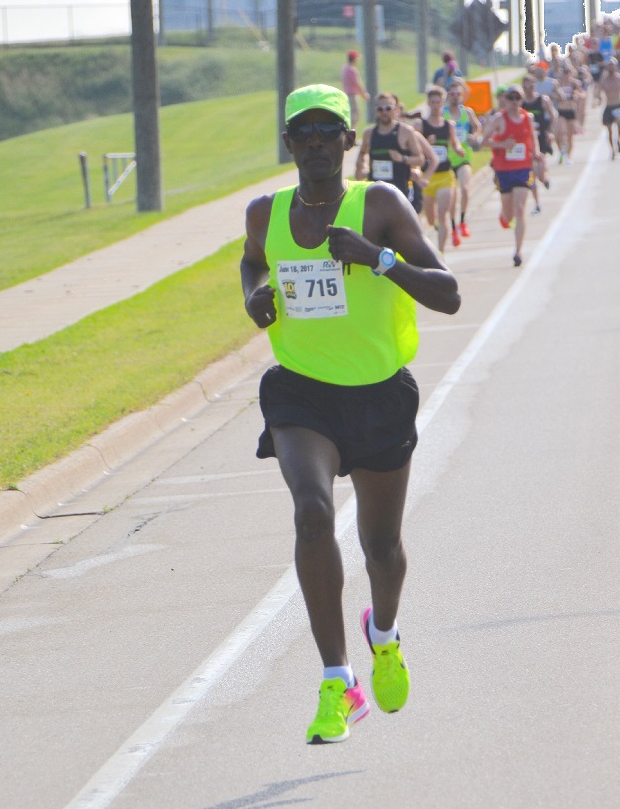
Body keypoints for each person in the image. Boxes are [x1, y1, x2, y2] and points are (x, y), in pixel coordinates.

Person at [242, 84, 463, 743]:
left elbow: (448, 294)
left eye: (326, 131)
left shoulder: (381, 204)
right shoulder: (264, 213)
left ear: (348, 141)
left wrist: (378, 259)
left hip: (377, 394)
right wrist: (255, 294)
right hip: (300, 391)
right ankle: (338, 682)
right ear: (289, 142)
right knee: (311, 513)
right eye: (301, 132)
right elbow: (254, 263)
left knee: (381, 549)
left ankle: (385, 635)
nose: (314, 142)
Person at [482, 87, 539, 267]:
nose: (514, 101)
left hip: (523, 167)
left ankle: (518, 251)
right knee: (509, 215)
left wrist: (536, 153)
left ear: (522, 100)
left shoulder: (527, 118)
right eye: (511, 98)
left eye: (518, 98)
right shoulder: (499, 119)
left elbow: (532, 138)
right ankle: (504, 216)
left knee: (520, 208)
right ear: (505, 100)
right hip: (504, 169)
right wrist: (502, 144)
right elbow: (484, 142)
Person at [417, 86, 471, 248]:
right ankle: (436, 229)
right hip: (427, 176)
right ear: (428, 103)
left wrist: (459, 150)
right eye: (432, 102)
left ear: (442, 103)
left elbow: (454, 144)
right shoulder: (421, 125)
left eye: (438, 102)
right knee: (431, 218)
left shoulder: (449, 125)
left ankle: (440, 254)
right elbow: (414, 148)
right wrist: (427, 143)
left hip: (445, 175)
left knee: (442, 214)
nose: (435, 105)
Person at [362, 94, 432, 209]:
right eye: (380, 109)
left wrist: (404, 159)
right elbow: (362, 155)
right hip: (376, 193)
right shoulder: (368, 133)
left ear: (395, 109)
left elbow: (420, 159)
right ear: (375, 111)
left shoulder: (406, 131)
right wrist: (362, 168)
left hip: (400, 192)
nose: (384, 112)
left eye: (388, 108)